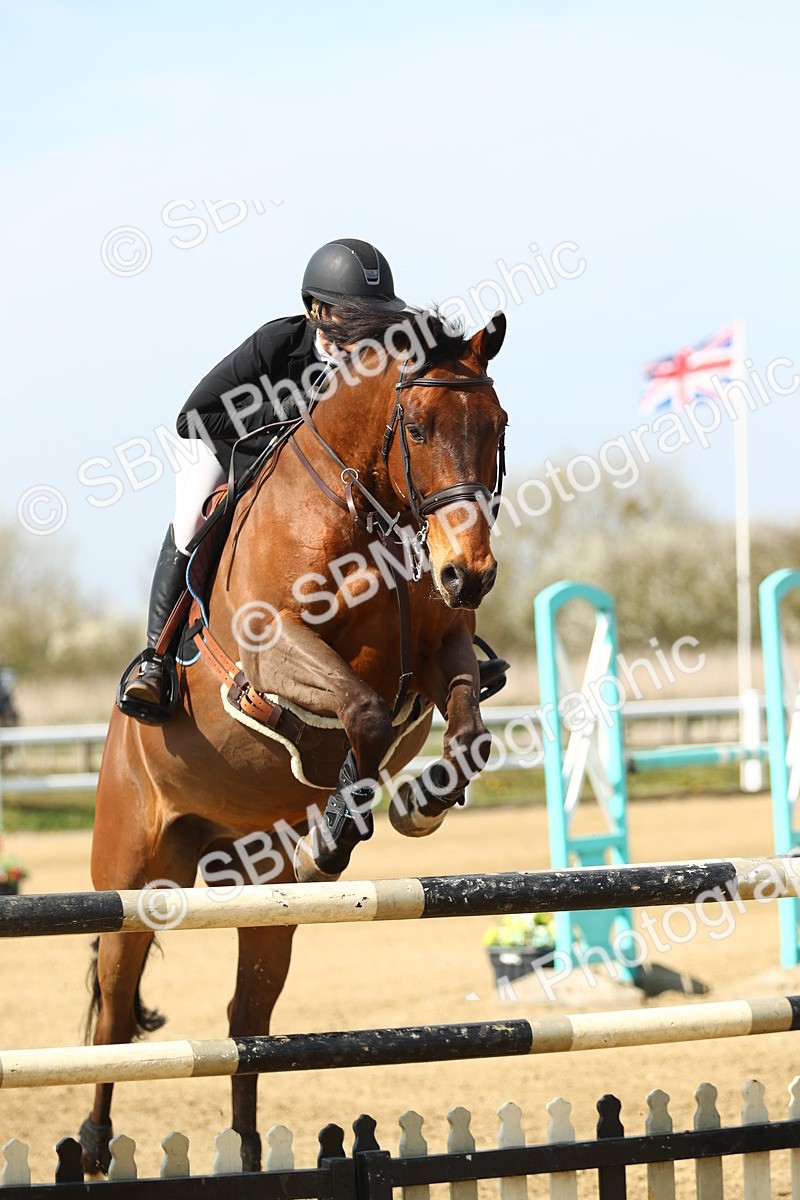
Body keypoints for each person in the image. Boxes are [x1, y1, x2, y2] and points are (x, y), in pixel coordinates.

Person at [119, 238, 406, 723]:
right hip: (229, 448)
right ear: (317, 311)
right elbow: (195, 415)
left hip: (321, 479)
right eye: (357, 317)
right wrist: (289, 410)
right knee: (191, 523)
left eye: (376, 318)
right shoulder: (278, 343)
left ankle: (438, 642)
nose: (370, 331)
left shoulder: (378, 362)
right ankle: (156, 660)